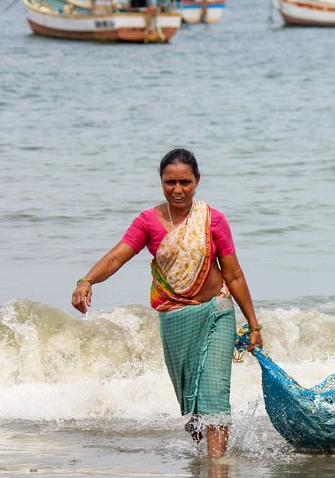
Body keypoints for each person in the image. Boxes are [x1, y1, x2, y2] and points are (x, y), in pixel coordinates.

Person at [71, 148, 263, 458]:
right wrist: (87, 281)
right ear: (161, 182)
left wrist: (254, 325)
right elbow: (117, 256)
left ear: (197, 181)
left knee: (214, 394)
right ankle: (204, 464)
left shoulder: (213, 220)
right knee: (192, 407)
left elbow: (235, 275)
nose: (177, 190)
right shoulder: (148, 221)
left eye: (185, 182)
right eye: (169, 182)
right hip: (174, 320)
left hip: (217, 312)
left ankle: (217, 469)